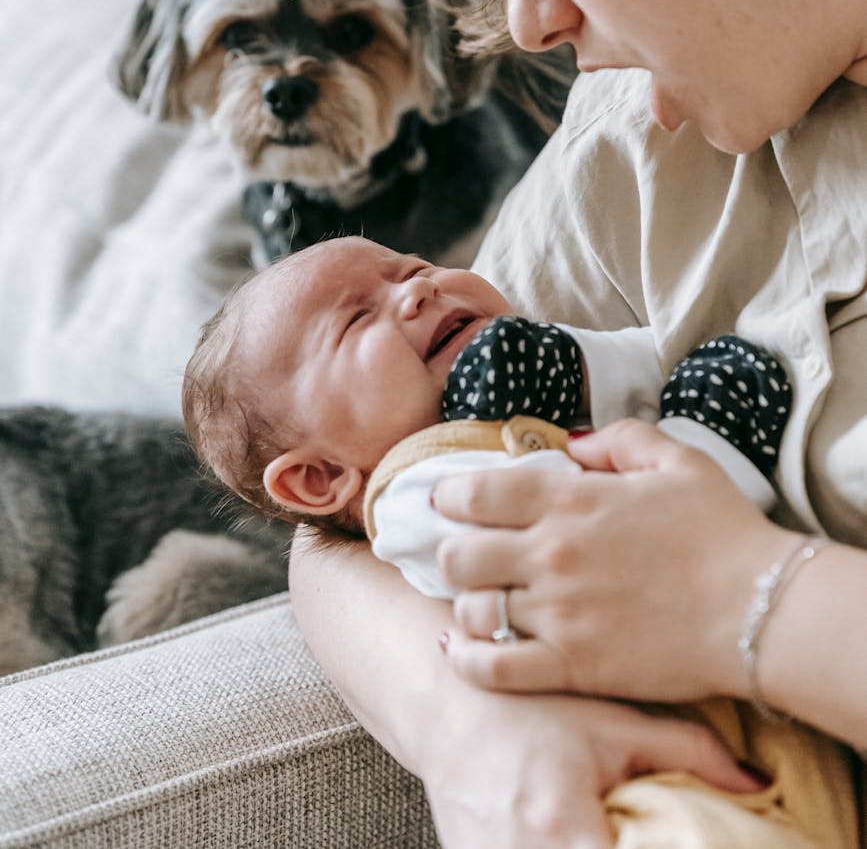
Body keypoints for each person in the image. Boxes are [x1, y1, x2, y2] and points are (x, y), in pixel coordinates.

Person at [289, 0, 867, 846]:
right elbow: (352, 513)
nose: (532, 16)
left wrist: (747, 604)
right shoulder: (636, 143)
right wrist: (464, 723)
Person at [183, 235, 853, 849]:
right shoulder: (418, 490)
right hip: (648, 774)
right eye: (356, 319)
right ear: (320, 476)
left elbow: (655, 360)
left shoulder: (537, 413)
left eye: (414, 268)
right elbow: (616, 539)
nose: (417, 290)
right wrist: (707, 441)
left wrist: (567, 363)